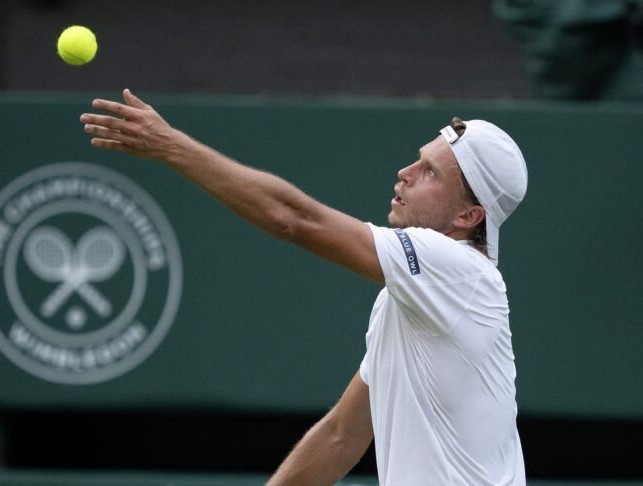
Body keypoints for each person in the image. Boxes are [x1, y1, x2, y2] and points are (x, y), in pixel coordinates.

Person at [79, 90, 528, 485]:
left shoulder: (458, 271)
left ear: (469, 218)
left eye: (430, 172)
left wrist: (172, 146)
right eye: (419, 158)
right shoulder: (414, 299)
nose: (406, 171)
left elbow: (296, 221)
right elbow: (339, 437)